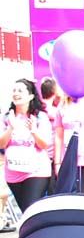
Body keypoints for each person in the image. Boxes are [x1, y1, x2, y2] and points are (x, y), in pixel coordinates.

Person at [0, 79, 52, 212]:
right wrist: (10, 128)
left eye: (20, 90)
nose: (16, 93)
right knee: (25, 211)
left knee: (31, 209)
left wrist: (33, 131)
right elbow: (1, 144)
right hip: (13, 172)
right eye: (14, 90)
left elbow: (44, 144)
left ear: (31, 96)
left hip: (36, 171)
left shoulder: (40, 117)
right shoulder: (7, 117)